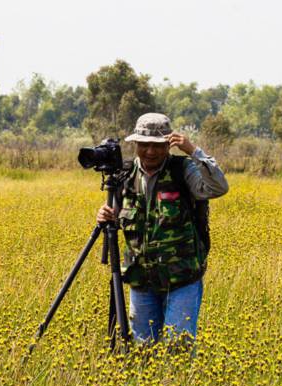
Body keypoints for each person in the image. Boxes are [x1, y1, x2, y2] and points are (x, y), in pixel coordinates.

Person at [96, 113, 229, 344]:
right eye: (144, 145)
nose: (150, 151)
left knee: (178, 346)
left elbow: (218, 187)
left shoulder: (182, 170)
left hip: (182, 280)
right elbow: (117, 216)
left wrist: (193, 150)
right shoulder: (125, 175)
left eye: (157, 145)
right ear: (136, 143)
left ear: (169, 143)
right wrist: (105, 215)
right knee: (143, 350)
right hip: (141, 280)